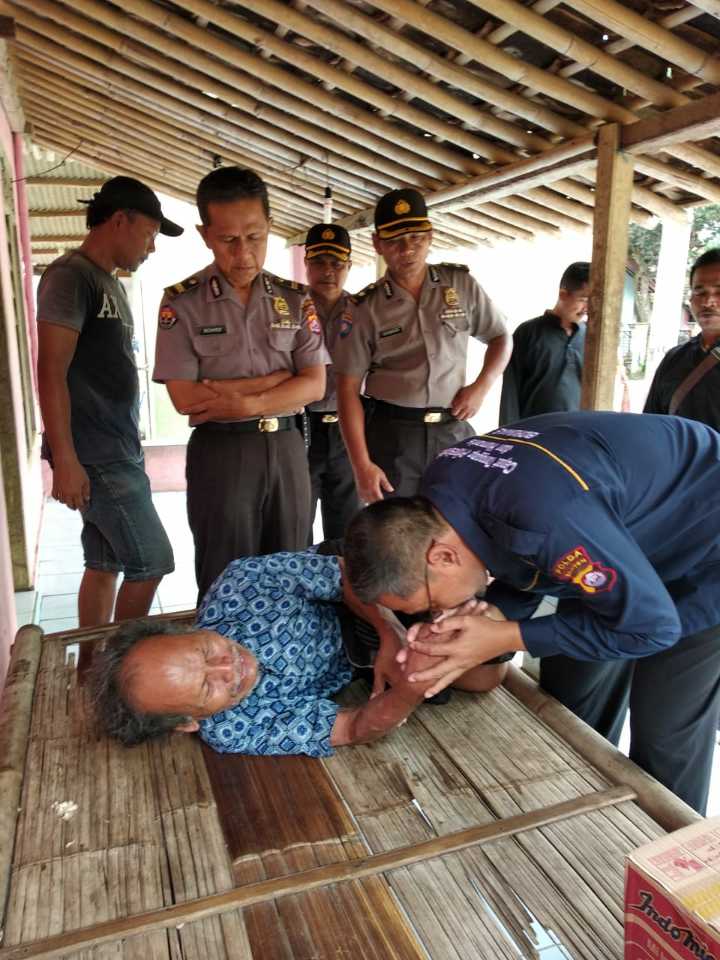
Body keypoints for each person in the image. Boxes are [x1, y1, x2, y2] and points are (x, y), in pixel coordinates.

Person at [343, 411, 720, 814]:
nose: (441, 613)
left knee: (664, 725)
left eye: (433, 604)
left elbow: (653, 629)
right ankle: (599, 815)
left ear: (443, 556)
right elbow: (517, 550)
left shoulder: (552, 520)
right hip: (611, 531)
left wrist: (508, 635)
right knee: (573, 693)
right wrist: (491, 615)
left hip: (705, 544)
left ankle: (680, 861)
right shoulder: (441, 490)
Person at [90, 549, 508, 756]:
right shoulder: (232, 729)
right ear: (187, 723)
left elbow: (346, 573)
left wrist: (389, 631)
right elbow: (352, 727)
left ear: (184, 629)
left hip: (363, 594)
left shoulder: (241, 584)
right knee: (483, 677)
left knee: (440, 588)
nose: (228, 666)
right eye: (207, 687)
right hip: (358, 659)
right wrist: (411, 683)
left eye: (205, 650)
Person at [152, 167, 328, 599]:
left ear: (270, 226)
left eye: (255, 237)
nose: (244, 253)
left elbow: (315, 386)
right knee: (225, 576)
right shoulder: (182, 302)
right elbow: (186, 398)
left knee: (292, 571)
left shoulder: (294, 298)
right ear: (205, 234)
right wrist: (279, 382)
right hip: (222, 454)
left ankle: (287, 665)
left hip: (287, 452)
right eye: (229, 240)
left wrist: (247, 402)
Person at [37, 176, 182, 627]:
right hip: (96, 454)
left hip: (119, 447)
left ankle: (89, 671)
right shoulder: (70, 276)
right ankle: (121, 673)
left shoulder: (111, 284)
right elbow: (51, 372)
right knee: (152, 560)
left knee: (104, 564)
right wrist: (64, 458)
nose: (151, 248)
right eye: (150, 234)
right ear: (120, 220)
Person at [332, 188, 512, 504]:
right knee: (397, 533)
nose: (407, 249)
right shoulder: (364, 308)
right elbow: (347, 389)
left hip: (452, 430)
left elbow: (500, 337)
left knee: (455, 524)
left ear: (430, 236)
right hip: (393, 437)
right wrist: (361, 466)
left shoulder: (461, 285)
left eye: (416, 237)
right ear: (377, 244)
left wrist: (481, 386)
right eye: (394, 240)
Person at [303, 223, 361, 540]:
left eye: (337, 263)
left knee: (348, 529)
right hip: (301, 427)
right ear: (306, 264)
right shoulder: (289, 307)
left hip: (347, 427)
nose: (328, 271)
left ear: (349, 266)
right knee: (297, 524)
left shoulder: (365, 311)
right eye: (319, 262)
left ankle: (342, 590)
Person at [499, 262, 589, 424]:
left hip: (579, 436)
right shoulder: (527, 333)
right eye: (583, 299)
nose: (587, 308)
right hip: (536, 437)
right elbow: (510, 395)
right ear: (563, 294)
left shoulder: (592, 338)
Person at [644, 248, 720, 426]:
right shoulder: (674, 359)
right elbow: (652, 426)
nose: (708, 302)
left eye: (719, 291)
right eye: (699, 292)